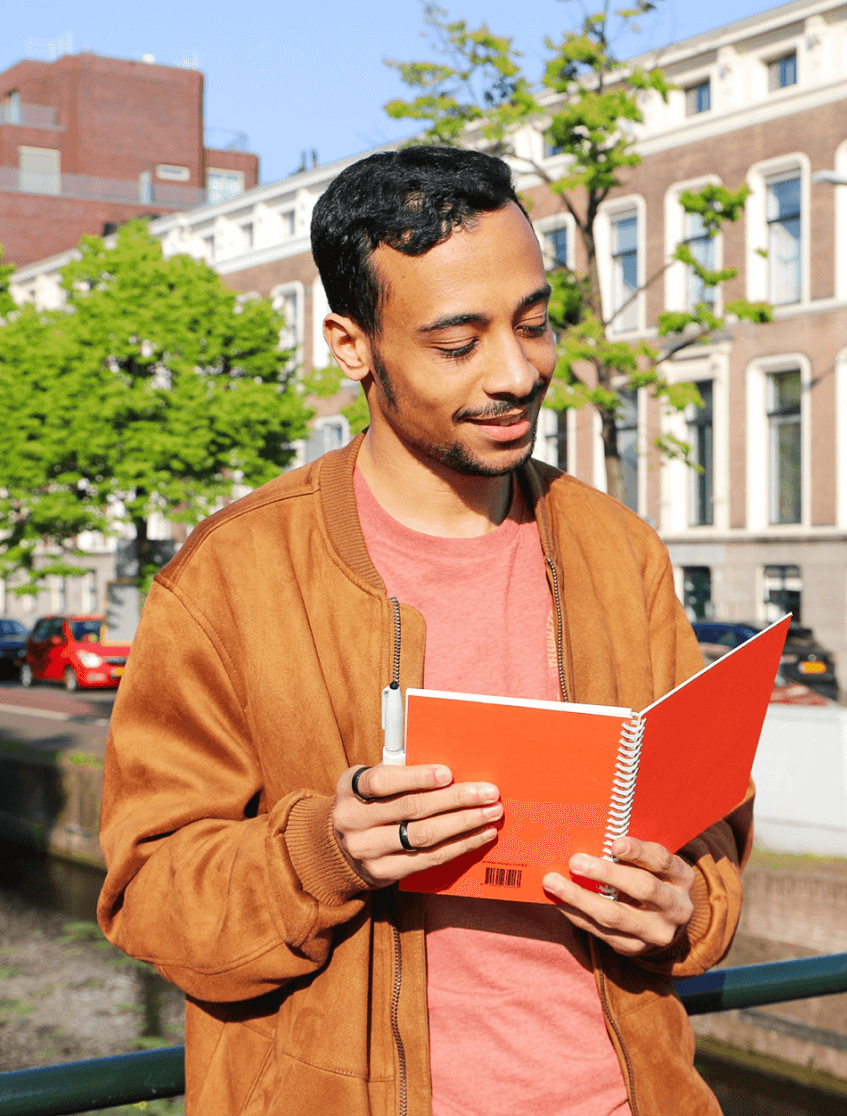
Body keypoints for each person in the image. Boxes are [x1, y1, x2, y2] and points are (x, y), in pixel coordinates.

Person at [97, 145, 752, 1115]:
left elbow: (712, 831)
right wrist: (324, 852)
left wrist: (689, 907)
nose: (516, 372)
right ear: (350, 344)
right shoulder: (229, 577)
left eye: (534, 325)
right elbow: (150, 895)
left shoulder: (624, 556)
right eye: (458, 344)